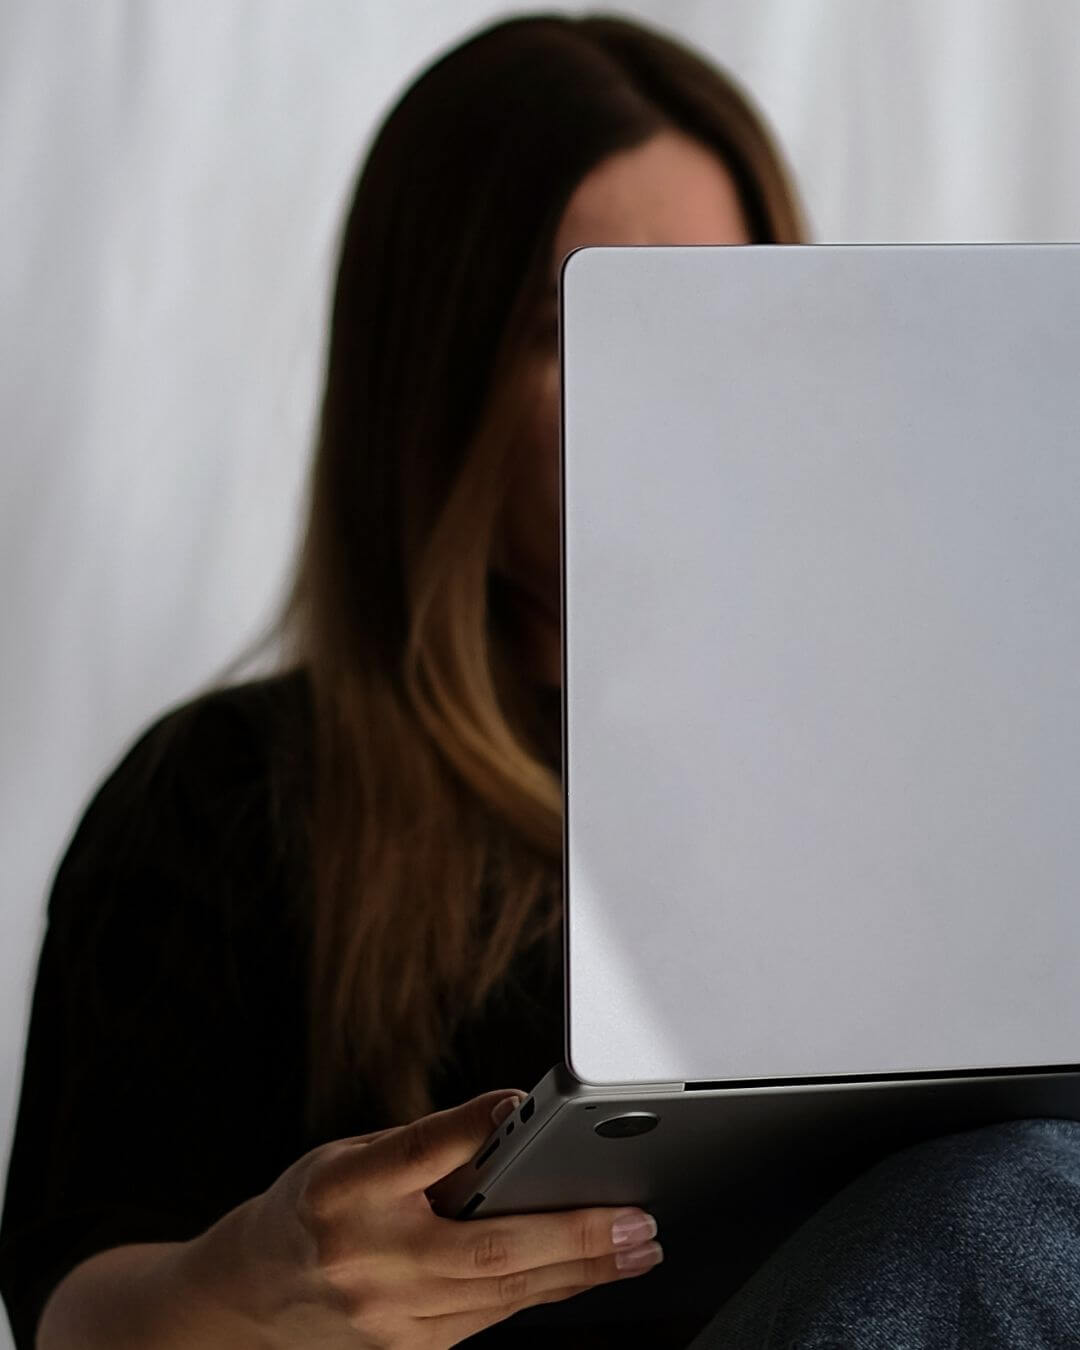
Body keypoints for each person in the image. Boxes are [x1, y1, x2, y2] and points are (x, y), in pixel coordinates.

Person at [3, 12, 1078, 1350]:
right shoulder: (224, 799)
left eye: (724, 322)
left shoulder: (922, 776)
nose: (681, 399)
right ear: (436, 378)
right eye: (589, 326)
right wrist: (257, 1280)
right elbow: (73, 1312)